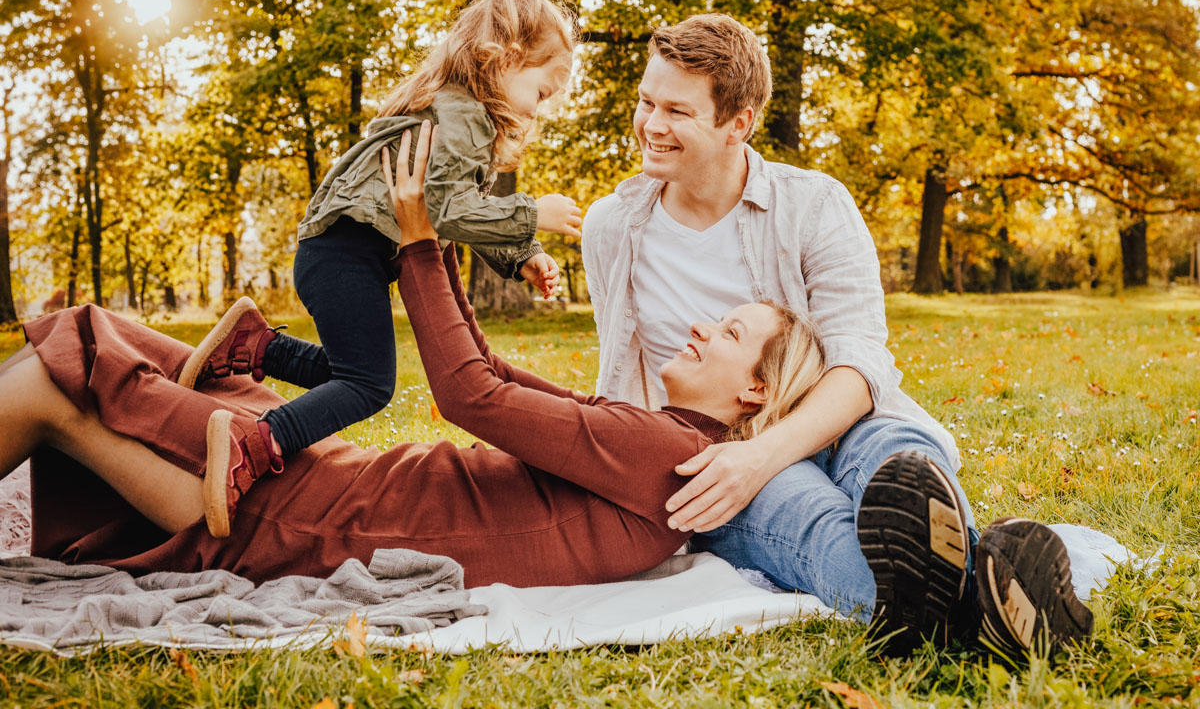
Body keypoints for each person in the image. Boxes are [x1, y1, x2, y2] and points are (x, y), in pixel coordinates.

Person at [0, 123, 824, 593]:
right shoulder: (659, 442)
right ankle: (243, 360)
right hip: (334, 486)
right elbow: (494, 373)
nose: (701, 329)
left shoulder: (665, 454)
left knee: (62, 366)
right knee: (119, 352)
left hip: (312, 517)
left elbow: (469, 396)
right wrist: (431, 243)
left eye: (729, 334)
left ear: (756, 390)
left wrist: (419, 243)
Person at [581, 13, 1092, 658]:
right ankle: (996, 605)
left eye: (677, 111)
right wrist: (739, 462)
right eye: (647, 102)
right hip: (719, 447)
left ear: (739, 123)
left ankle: (963, 606)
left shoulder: (813, 205)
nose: (652, 125)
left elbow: (859, 359)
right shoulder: (613, 227)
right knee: (811, 521)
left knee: (900, 460)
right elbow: (623, 378)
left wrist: (766, 453)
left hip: (838, 419)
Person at [177, 0, 586, 538]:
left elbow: (458, 207)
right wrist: (533, 213)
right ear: (506, 58)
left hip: (338, 252)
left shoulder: (457, 109)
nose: (538, 110)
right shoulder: (464, 113)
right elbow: (449, 211)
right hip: (345, 252)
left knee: (355, 373)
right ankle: (257, 442)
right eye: (541, 92)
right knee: (368, 385)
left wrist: (520, 254)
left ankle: (257, 345)